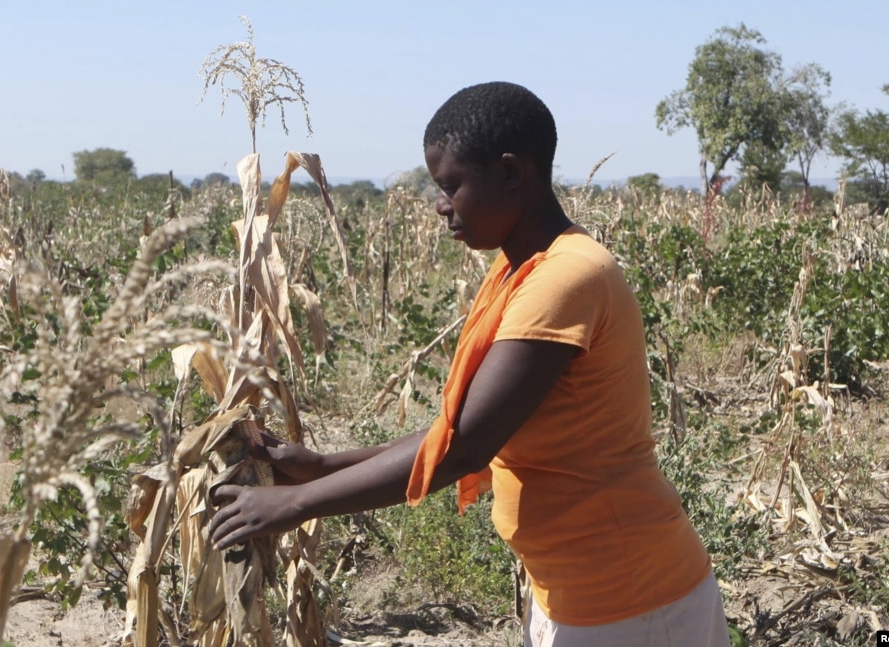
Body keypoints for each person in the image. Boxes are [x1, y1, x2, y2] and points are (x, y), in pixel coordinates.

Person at [209, 81, 731, 646]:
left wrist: (296, 502)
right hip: (582, 593)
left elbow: (467, 446)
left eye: (451, 185)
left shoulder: (564, 279)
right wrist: (324, 465)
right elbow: (455, 429)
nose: (440, 204)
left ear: (510, 172)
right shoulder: (519, 270)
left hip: (631, 602)